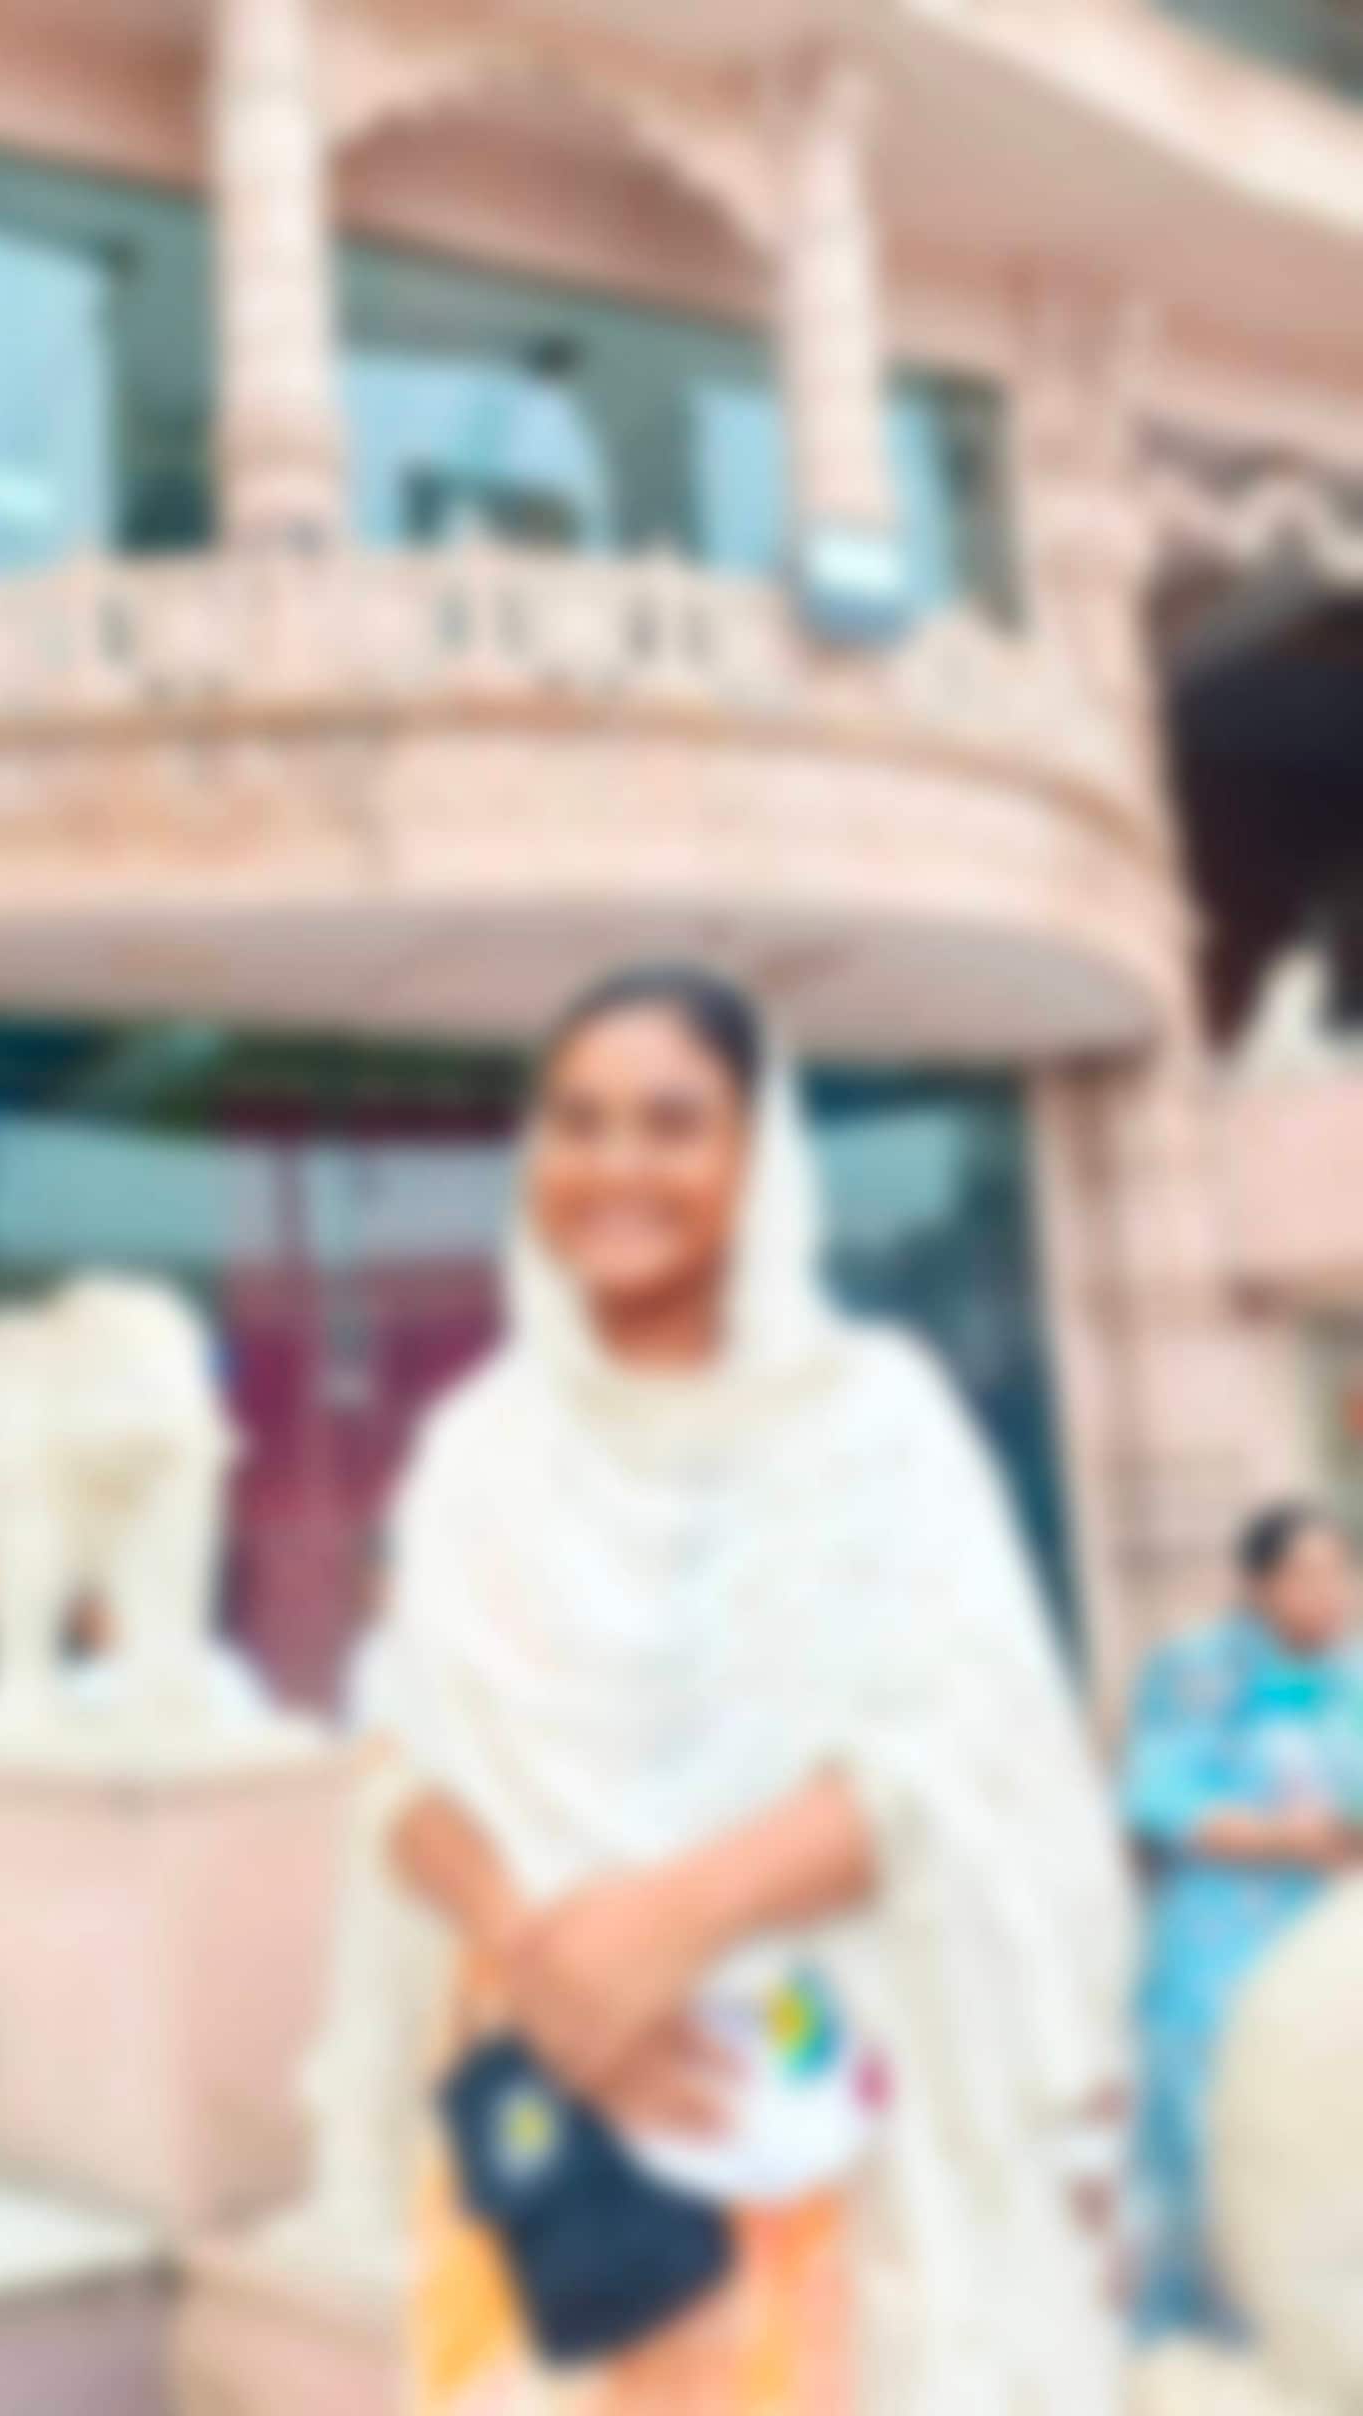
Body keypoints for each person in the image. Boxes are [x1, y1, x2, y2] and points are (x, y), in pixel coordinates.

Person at [363, 963, 1133, 2416]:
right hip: (551, 2124)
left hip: (808, 2110)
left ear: (756, 1159)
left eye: (673, 1124)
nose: (616, 1167)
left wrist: (674, 1920)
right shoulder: (478, 1447)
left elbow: (974, 1749)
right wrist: (550, 1967)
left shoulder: (870, 1415)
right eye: (578, 1122)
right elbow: (399, 1762)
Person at [1125, 1500, 1363, 2344]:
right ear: (1258, 1586)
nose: (1325, 1594)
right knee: (1216, 2168)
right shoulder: (1199, 1674)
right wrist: (1285, 1840)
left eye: (1339, 1574)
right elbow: (1158, 1799)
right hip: (1221, 1961)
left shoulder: (1351, 1677)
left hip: (1327, 1967)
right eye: (1303, 1575)